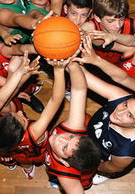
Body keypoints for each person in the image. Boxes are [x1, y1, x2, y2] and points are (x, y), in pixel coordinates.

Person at [75, 65, 135, 185]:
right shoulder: (120, 97)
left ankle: (100, 175)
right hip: (91, 130)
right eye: (125, 105)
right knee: (80, 116)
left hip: (98, 154)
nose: (119, 112)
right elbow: (85, 77)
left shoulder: (126, 151)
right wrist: (69, 61)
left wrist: (94, 166)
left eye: (129, 115)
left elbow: (113, 167)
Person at [0, 58, 68, 179]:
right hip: (40, 152)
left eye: (14, 114)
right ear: (21, 132)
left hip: (19, 155)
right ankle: (44, 164)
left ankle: (28, 168)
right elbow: (56, 99)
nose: (20, 112)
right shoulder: (35, 131)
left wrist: (3, 153)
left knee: (23, 160)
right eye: (22, 118)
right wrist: (59, 70)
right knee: (46, 157)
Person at [44, 61, 101, 193]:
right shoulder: (73, 128)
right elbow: (79, 90)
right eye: (70, 137)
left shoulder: (66, 177)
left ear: (65, 163)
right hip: (55, 163)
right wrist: (72, 63)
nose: (60, 138)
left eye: (64, 147)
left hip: (81, 178)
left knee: (84, 183)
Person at [81, 0, 135, 64]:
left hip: (122, 66)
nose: (118, 26)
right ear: (97, 18)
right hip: (95, 68)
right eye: (111, 21)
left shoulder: (134, 24)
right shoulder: (89, 28)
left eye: (121, 19)